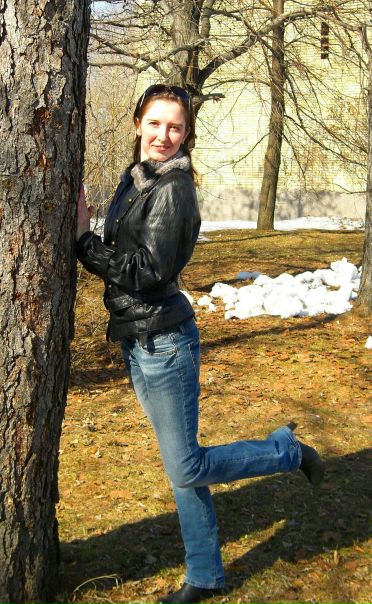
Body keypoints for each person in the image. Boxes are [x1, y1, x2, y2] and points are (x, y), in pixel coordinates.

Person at [76, 84, 324, 604]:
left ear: (187, 134)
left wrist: (84, 245)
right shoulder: (137, 176)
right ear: (137, 124)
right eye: (154, 123)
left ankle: (286, 451)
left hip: (164, 342)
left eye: (175, 127)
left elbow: (146, 271)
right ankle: (206, 575)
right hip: (137, 337)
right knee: (182, 467)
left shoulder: (174, 188)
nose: (162, 135)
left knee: (186, 465)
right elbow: (129, 250)